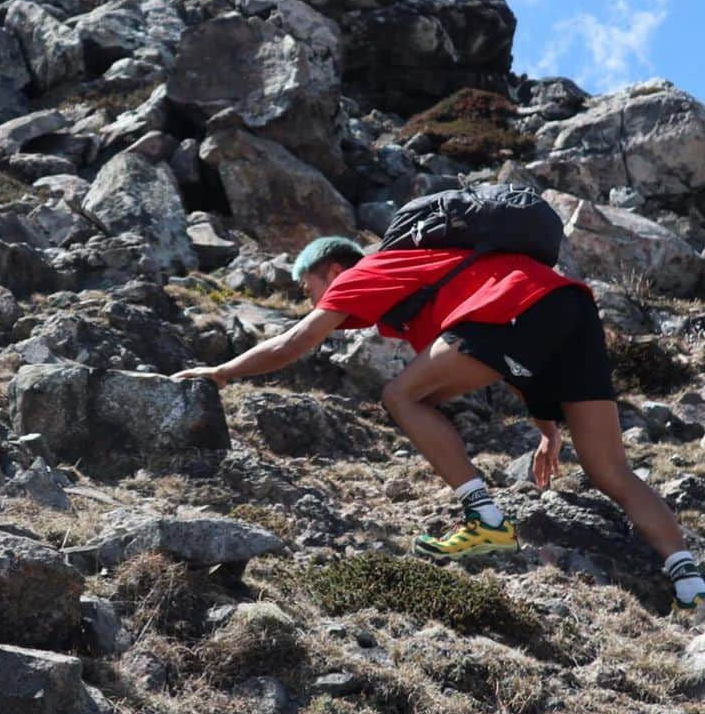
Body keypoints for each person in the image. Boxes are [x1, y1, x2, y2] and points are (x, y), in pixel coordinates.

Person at [172, 234, 705, 610]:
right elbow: (510, 349)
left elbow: (295, 342)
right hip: (567, 305)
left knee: (401, 395)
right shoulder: (414, 279)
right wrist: (547, 425)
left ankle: (487, 522)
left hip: (516, 305)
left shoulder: (363, 274)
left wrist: (220, 372)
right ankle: (689, 580)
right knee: (610, 469)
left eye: (307, 286)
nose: (309, 298)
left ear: (331, 271)